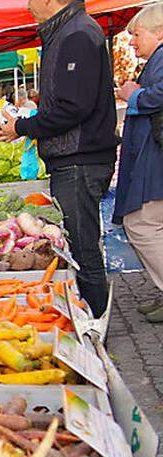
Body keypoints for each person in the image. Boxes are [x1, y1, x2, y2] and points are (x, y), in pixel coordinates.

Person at [0, 0, 118, 317]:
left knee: (83, 246)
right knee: (82, 243)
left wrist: (23, 126)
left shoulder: (76, 34)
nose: (27, 4)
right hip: (74, 157)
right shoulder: (67, 32)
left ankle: (95, 324)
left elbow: (73, 107)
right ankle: (91, 317)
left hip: (79, 159)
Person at [115, 2, 163, 321]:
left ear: (160, 32)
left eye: (137, 33)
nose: (131, 41)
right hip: (151, 154)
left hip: (155, 158)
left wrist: (132, 95)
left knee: (142, 225)